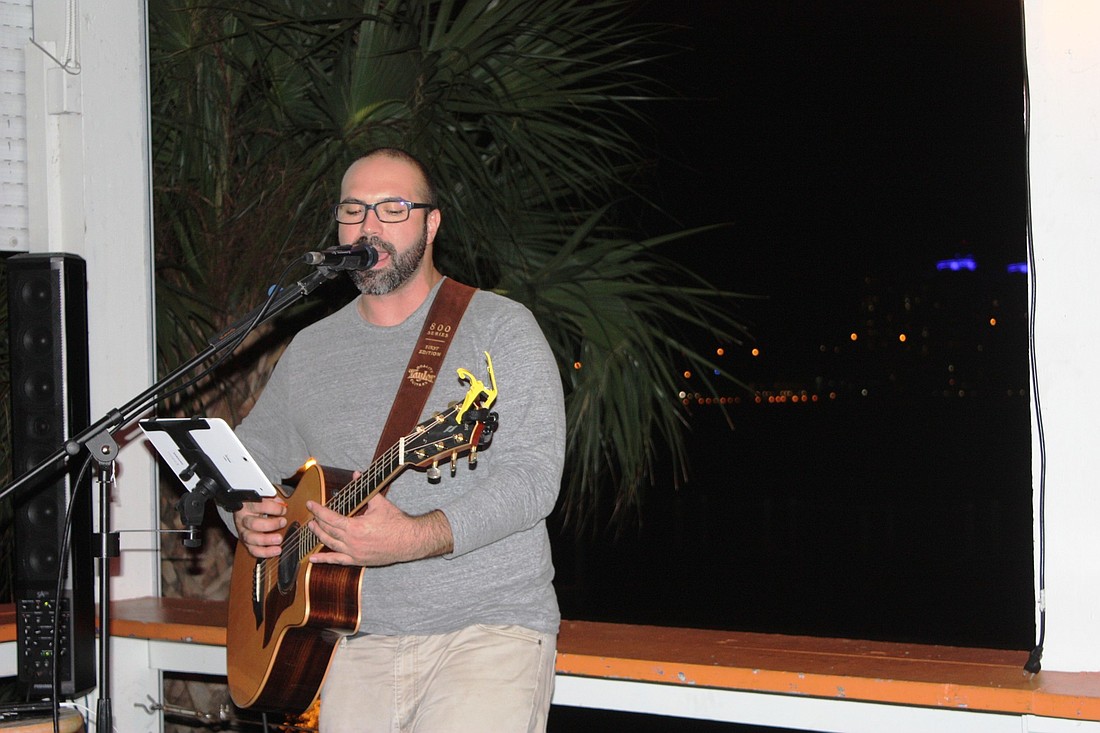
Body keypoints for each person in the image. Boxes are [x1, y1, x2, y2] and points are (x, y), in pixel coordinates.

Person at [224, 147, 566, 732]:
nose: (368, 225)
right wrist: (243, 514)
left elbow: (534, 479)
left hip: (486, 632)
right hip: (352, 639)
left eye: (392, 207)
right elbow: (248, 457)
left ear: (431, 225)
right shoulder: (311, 350)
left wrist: (415, 537)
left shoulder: (499, 327)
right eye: (353, 209)